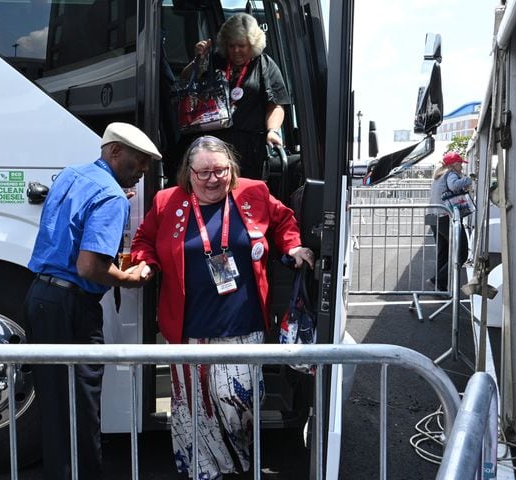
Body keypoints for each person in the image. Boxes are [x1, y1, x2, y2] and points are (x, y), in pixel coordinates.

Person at [130, 135, 313, 479]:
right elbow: (144, 240)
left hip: (242, 322)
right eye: (204, 173)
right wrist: (145, 263)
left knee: (236, 397)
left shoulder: (253, 192)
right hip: (188, 328)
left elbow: (283, 221)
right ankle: (205, 472)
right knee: (194, 408)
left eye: (221, 170)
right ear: (188, 173)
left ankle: (238, 460)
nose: (214, 179)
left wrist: (293, 247)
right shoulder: (168, 201)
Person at [24, 122, 159, 480]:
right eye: (139, 161)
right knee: (82, 408)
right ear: (115, 152)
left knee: (55, 406)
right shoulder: (111, 197)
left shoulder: (72, 175)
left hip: (40, 295)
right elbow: (90, 266)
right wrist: (128, 279)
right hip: (71, 306)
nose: (143, 170)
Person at [180, 12, 291, 180]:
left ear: (252, 44)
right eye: (231, 46)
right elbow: (186, 80)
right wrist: (198, 60)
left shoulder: (264, 65)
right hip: (212, 143)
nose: (236, 51)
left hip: (249, 147)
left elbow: (276, 104)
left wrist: (273, 131)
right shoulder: (215, 60)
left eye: (241, 45)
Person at [426, 151, 473, 291]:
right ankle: (437, 280)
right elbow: (453, 186)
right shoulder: (451, 174)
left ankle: (440, 286)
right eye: (460, 164)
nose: (462, 167)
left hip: (432, 216)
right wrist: (469, 180)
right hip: (444, 217)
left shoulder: (439, 175)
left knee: (443, 252)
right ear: (454, 164)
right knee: (462, 252)